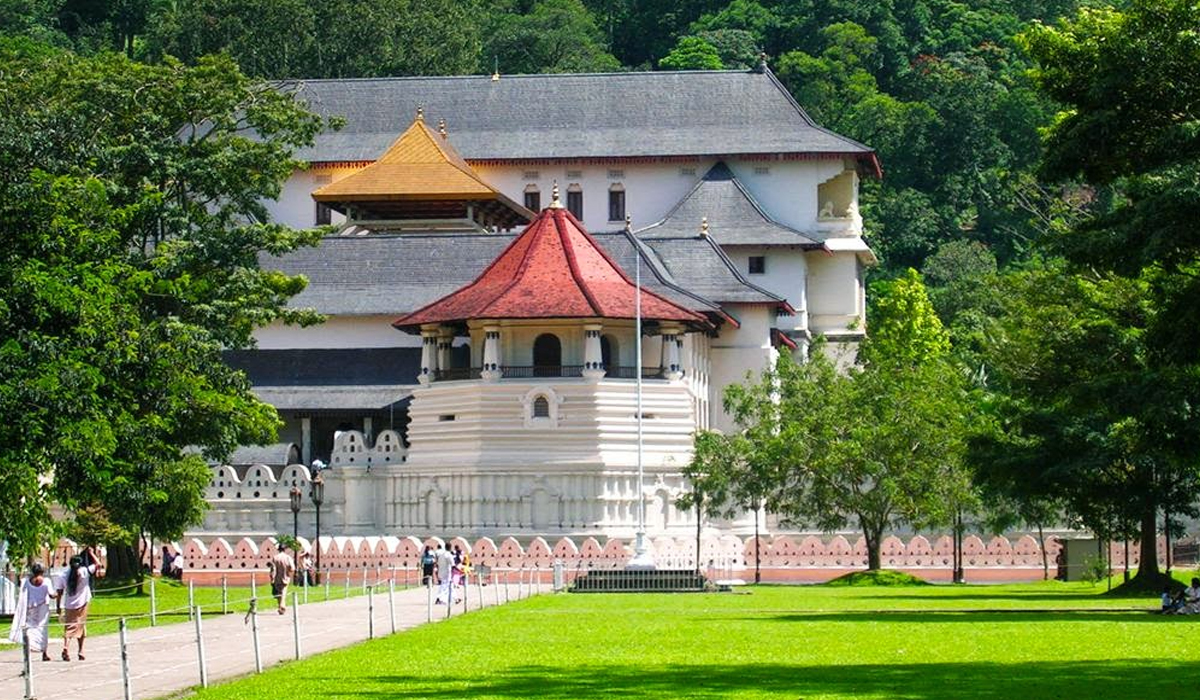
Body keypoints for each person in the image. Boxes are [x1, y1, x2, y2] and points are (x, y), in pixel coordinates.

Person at [57, 546, 102, 661]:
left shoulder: (63, 575)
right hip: (82, 603)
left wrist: (58, 606)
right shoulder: (84, 571)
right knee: (80, 625)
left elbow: (60, 592)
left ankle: (70, 647)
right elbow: (98, 564)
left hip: (69, 605)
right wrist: (91, 553)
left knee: (69, 627)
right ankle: (78, 650)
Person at [8, 564, 57, 661]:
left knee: (30, 628)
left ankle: (29, 650)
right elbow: (51, 594)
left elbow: (21, 586)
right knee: (42, 630)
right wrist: (57, 594)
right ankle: (44, 653)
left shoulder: (28, 581)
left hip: (30, 607)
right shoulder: (46, 581)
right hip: (42, 608)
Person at [268, 547, 296, 615]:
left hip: (276, 578)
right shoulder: (288, 558)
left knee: (278, 593)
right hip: (285, 577)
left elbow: (272, 569)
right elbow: (292, 568)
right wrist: (288, 572)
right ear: (284, 550)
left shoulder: (275, 558)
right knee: (283, 592)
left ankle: (280, 607)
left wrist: (271, 578)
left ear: (278, 550)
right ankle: (282, 606)